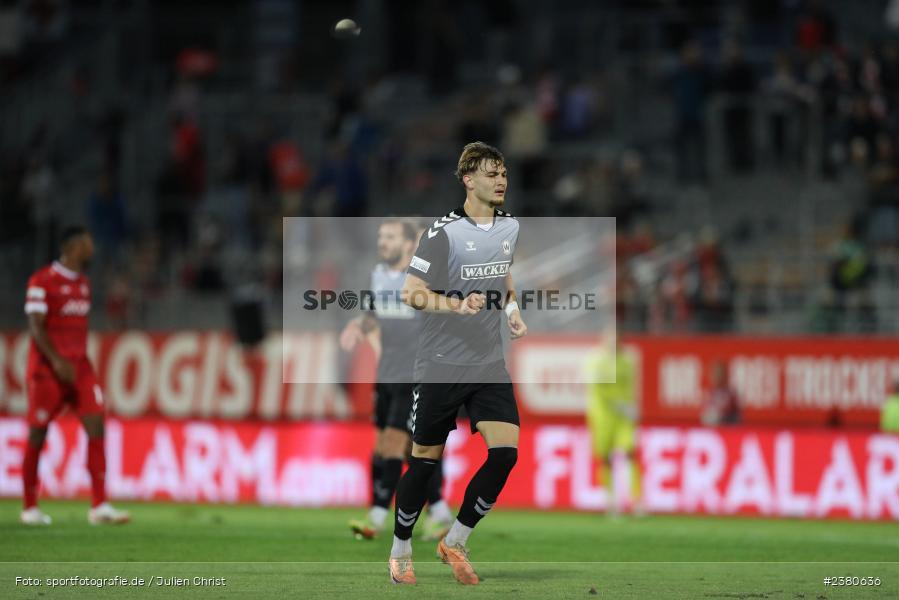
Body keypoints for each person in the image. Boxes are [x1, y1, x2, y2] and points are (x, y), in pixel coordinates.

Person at [387, 142, 527, 585]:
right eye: (490, 173)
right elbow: (411, 291)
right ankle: (400, 549)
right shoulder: (442, 232)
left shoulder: (509, 226)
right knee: (424, 462)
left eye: (503, 172)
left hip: (487, 362)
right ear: (467, 179)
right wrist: (454, 305)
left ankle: (456, 540)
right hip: (441, 363)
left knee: (505, 453)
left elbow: (501, 272)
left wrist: (511, 311)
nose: (500, 180)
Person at [343, 218, 453, 541]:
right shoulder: (377, 276)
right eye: (381, 236)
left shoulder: (422, 281)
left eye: (390, 236)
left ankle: (376, 517)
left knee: (393, 442)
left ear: (408, 244)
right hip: (387, 374)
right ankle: (441, 512)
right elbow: (370, 316)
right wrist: (357, 327)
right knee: (400, 449)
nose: (383, 241)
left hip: (415, 375)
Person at [21, 226, 130, 526]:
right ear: (72, 247)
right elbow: (35, 326)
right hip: (48, 370)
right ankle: (30, 507)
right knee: (37, 433)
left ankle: (100, 506)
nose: (91, 248)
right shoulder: (42, 281)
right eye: (87, 243)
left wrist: (72, 361)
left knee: (96, 425)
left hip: (80, 367)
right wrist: (56, 361)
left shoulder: (84, 284)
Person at [585, 337, 641, 516]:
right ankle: (611, 501)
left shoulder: (627, 361)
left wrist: (632, 405)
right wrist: (618, 404)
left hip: (623, 416)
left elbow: (631, 386)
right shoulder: (597, 361)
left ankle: (636, 500)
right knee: (606, 458)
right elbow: (597, 389)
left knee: (630, 451)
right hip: (603, 416)